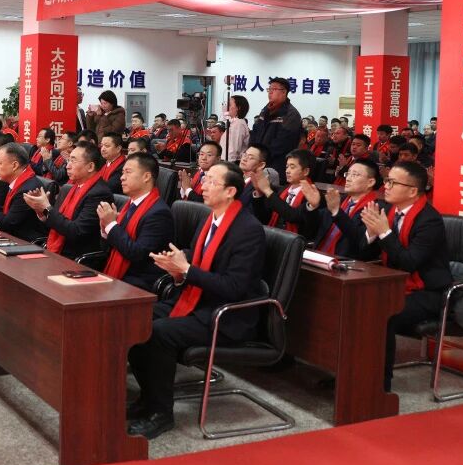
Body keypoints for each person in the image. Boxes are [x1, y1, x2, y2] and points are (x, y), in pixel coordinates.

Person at [127, 161, 266, 439]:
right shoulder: (211, 218)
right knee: (133, 319)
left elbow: (234, 287)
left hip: (226, 315)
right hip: (197, 300)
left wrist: (188, 270)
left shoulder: (247, 230)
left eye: (212, 182)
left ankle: (161, 413)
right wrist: (175, 268)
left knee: (158, 333)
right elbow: (197, 259)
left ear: (230, 191)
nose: (204, 186)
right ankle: (148, 398)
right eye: (206, 180)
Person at [354, 160, 452, 392]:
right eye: (387, 181)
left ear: (412, 191)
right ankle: (353, 374)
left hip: (428, 291)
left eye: (392, 183)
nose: (386, 186)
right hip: (396, 284)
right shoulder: (390, 211)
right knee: (353, 302)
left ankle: (380, 385)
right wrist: (371, 233)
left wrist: (385, 233)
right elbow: (364, 254)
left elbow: (409, 262)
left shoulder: (429, 220)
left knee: (382, 313)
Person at [98, 153, 175, 293]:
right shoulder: (130, 206)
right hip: (119, 274)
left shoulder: (159, 213)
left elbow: (137, 254)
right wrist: (105, 229)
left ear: (146, 177)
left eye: (128, 172)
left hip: (138, 283)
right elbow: (108, 250)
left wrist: (111, 225)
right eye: (122, 173)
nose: (122, 177)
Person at [25, 143, 114, 258]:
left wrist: (47, 208)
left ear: (90, 167)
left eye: (73, 161)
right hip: (57, 249)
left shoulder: (99, 194)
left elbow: (76, 231)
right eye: (68, 161)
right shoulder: (71, 188)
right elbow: (56, 223)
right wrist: (41, 210)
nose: (67, 166)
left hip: (76, 256)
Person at [315, 157, 383, 257]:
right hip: (318, 254)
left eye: (354, 175)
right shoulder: (342, 200)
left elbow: (361, 241)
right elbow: (316, 223)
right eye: (348, 174)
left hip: (344, 262)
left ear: (370, 182)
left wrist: (337, 212)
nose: (348, 178)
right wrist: (312, 206)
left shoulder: (375, 208)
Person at [249, 148, 320, 239]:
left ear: (306, 171)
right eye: (287, 167)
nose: (287, 171)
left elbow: (292, 216)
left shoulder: (313, 195)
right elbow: (264, 218)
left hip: (295, 243)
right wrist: (259, 193)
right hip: (272, 237)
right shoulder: (283, 190)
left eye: (292, 167)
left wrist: (267, 190)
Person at [248, 77, 303, 178]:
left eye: (274, 89)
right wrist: (252, 154)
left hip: (277, 166)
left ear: (284, 92)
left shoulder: (291, 114)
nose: (270, 92)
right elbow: (255, 132)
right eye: (269, 89)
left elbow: (283, 143)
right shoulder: (266, 110)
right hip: (259, 162)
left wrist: (260, 157)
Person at [221, 94, 250, 163]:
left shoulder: (239, 124)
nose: (226, 107)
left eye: (229, 105)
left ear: (238, 108)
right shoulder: (234, 123)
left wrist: (226, 165)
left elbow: (233, 150)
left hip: (230, 163)